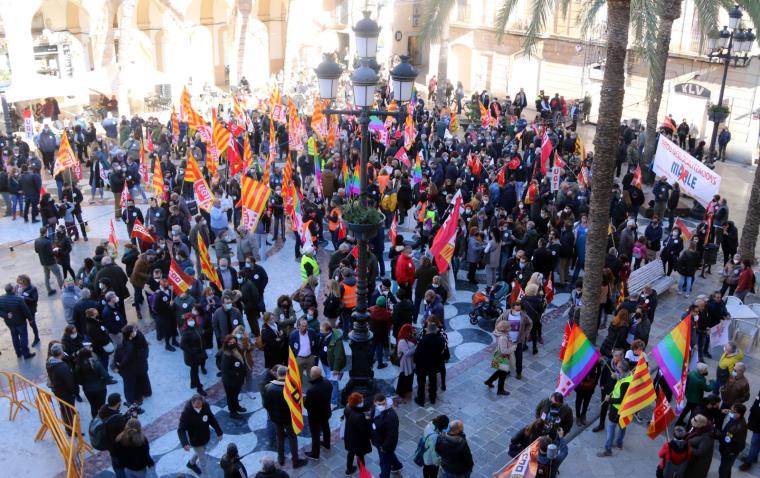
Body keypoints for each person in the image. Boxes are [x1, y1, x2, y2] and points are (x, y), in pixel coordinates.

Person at [262, 365, 307, 468]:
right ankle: (295, 462)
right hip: (289, 419)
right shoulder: (291, 389)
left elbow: (265, 405)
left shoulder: (268, 387)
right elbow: (298, 404)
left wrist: (273, 414)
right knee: (292, 438)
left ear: (277, 374)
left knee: (279, 438)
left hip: (276, 419)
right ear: (287, 374)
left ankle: (280, 459)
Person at [177, 394, 223, 476]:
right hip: (195, 440)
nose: (199, 408)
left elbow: (211, 418)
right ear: (192, 403)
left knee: (201, 452)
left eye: (200, 405)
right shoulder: (186, 413)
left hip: (206, 436)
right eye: (196, 406)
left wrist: (218, 431)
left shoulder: (205, 405)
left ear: (202, 402)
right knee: (203, 460)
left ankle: (191, 463)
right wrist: (185, 443)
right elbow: (181, 429)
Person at [113, 324, 150, 412]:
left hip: (135, 367)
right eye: (133, 331)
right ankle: (133, 399)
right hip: (132, 369)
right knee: (131, 385)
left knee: (135, 382)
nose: (135, 332)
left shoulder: (129, 342)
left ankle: (140, 394)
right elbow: (126, 359)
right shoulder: (130, 346)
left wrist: (118, 366)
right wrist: (119, 366)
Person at [598, 359, 631, 457]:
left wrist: (609, 399)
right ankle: (619, 443)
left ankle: (608, 449)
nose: (616, 366)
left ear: (622, 369)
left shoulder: (625, 383)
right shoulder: (629, 376)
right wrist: (617, 377)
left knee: (611, 428)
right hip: (625, 408)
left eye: (618, 366)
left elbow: (620, 399)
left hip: (617, 409)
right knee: (622, 425)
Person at [46, 342, 78, 433]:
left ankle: (69, 429)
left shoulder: (50, 362)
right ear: (61, 353)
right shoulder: (63, 367)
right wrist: (74, 391)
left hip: (58, 391)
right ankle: (73, 431)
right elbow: (69, 383)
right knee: (70, 411)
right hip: (66, 393)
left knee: (64, 410)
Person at [0, 283, 36, 358]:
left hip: (9, 323)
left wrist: (6, 315)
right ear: (13, 290)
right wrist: (30, 319)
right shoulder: (18, 299)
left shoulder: (1, 298)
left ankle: (18, 353)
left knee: (14, 337)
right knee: (23, 337)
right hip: (20, 322)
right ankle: (26, 354)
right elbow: (26, 311)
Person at [98, 393, 130, 478]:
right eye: (120, 401)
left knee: (115, 463)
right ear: (117, 403)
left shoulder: (103, 409)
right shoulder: (116, 419)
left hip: (109, 444)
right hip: (116, 447)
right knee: (119, 466)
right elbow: (120, 436)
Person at [414, 321, 446, 406]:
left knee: (421, 383)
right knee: (433, 381)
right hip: (434, 365)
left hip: (422, 365)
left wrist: (415, 362)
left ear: (428, 330)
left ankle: (421, 400)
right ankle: (432, 398)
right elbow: (441, 351)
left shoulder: (423, 340)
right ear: (435, 330)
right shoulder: (440, 340)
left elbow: (417, 353)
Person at [371, 393, 403, 477]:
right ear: (374, 402)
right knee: (389, 455)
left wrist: (384, 447)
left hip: (384, 444)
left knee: (384, 462)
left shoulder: (391, 416)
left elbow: (392, 435)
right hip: (378, 439)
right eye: (379, 404)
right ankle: (397, 465)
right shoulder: (374, 408)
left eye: (383, 404)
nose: (382, 406)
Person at [303, 366, 332, 461]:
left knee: (315, 435)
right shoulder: (328, 383)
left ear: (312, 375)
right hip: (326, 411)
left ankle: (315, 454)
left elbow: (307, 405)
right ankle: (327, 444)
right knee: (326, 427)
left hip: (315, 416)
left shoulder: (311, 391)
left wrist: (303, 400)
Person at [73, 347, 110, 418]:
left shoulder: (78, 366)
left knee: (93, 406)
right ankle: (103, 421)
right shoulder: (96, 364)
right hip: (100, 388)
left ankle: (95, 421)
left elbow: (78, 380)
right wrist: (103, 381)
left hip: (87, 389)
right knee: (102, 407)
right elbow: (106, 376)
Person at [484, 319, 516, 396]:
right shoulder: (503, 338)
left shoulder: (502, 335)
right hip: (503, 357)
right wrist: (513, 348)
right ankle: (500, 390)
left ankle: (489, 381)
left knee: (500, 372)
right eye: (509, 327)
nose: (510, 328)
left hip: (500, 356)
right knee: (503, 374)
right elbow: (504, 351)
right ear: (506, 329)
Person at [343, 392, 372, 476]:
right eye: (361, 401)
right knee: (360, 457)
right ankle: (363, 473)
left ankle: (349, 469)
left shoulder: (348, 408)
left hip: (349, 436)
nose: (363, 401)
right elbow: (363, 429)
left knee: (350, 453)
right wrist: (368, 420)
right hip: (357, 440)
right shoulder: (359, 416)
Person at [318, 321, 345, 408]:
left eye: (322, 331)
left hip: (332, 366)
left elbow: (339, 356)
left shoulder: (337, 341)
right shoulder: (324, 336)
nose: (320, 332)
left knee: (334, 383)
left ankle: (334, 402)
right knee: (330, 380)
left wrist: (336, 369)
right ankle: (332, 394)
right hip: (325, 363)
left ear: (328, 331)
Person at [220, 334, 248, 419]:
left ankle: (237, 406)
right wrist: (236, 373)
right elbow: (225, 369)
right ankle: (232, 412)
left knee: (235, 394)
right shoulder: (227, 354)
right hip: (230, 381)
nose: (233, 343)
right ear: (227, 343)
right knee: (231, 396)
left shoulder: (236, 349)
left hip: (238, 379)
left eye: (234, 341)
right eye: (230, 342)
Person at [719, 403, 748, 478]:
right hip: (726, 450)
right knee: (726, 469)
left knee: (723, 471)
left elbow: (740, 444)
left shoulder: (739, 428)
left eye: (732, 411)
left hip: (729, 452)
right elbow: (731, 414)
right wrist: (727, 411)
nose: (730, 412)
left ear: (739, 414)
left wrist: (730, 452)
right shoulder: (736, 417)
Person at [34, 226, 64, 295]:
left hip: (43, 262)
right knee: (58, 275)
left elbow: (36, 251)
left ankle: (49, 290)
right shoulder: (47, 242)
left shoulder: (37, 240)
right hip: (51, 262)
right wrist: (55, 250)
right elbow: (51, 253)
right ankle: (63, 289)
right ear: (46, 232)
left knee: (46, 276)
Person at [289, 318, 318, 387]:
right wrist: (294, 358)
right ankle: (299, 391)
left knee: (311, 376)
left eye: (306, 326)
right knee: (298, 376)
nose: (304, 328)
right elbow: (290, 347)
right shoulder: (293, 335)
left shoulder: (312, 332)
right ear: (298, 326)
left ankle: (311, 390)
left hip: (310, 357)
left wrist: (314, 355)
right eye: (302, 326)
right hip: (299, 358)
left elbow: (316, 343)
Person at [686, 414, 715, 478]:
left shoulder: (707, 438)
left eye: (695, 426)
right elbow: (691, 433)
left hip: (697, 463)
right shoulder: (700, 428)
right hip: (692, 458)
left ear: (700, 426)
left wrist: (687, 447)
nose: (693, 426)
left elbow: (699, 452)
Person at [395, 323, 416, 402]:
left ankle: (408, 388)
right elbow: (407, 353)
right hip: (405, 362)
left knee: (410, 375)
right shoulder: (402, 341)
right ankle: (401, 391)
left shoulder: (409, 337)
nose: (412, 331)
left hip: (410, 361)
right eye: (410, 330)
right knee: (404, 376)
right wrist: (415, 348)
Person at [739, 390, 760, 471]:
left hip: (759, 426)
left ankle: (748, 462)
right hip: (756, 422)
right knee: (756, 443)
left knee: (754, 442)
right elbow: (756, 403)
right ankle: (753, 457)